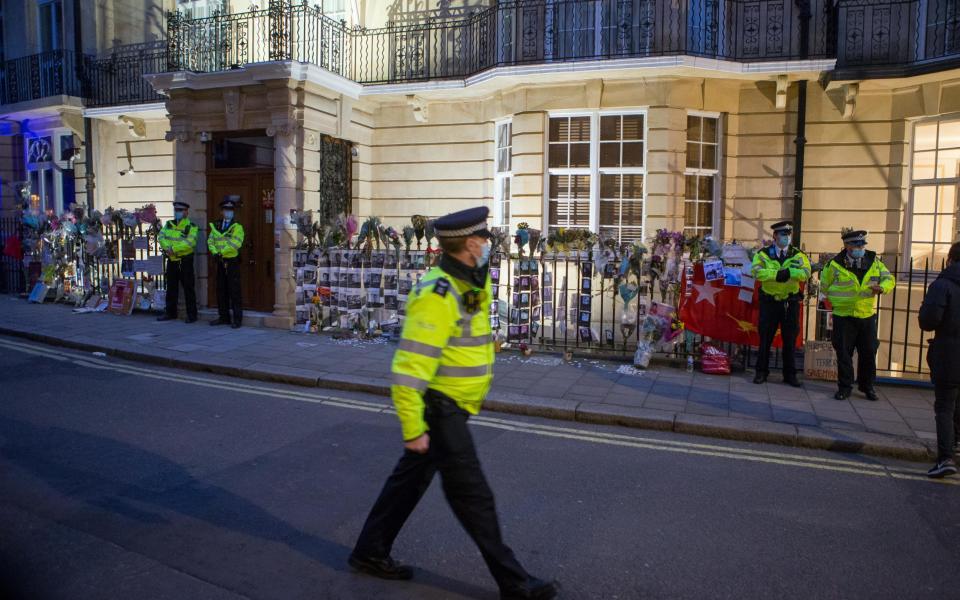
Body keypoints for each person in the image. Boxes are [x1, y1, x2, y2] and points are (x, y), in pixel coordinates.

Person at [349, 207, 558, 600]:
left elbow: (464, 334)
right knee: (474, 497)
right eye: (482, 240)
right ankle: (516, 585)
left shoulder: (468, 282)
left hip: (454, 404)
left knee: (407, 484)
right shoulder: (437, 293)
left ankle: (369, 551)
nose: (487, 246)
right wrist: (413, 429)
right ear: (469, 243)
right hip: (441, 408)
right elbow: (409, 368)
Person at [820, 229, 895, 400]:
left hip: (866, 315)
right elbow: (824, 286)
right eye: (856, 244)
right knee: (844, 354)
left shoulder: (874, 262)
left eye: (862, 244)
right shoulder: (834, 264)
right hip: (844, 316)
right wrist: (840, 301)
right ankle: (845, 387)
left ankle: (867, 386)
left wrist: (882, 287)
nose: (860, 247)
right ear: (847, 245)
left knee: (868, 352)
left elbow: (889, 278)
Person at [918, 241, 960, 478]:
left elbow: (928, 321)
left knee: (945, 406)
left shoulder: (943, 285)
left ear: (951, 260)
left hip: (950, 354)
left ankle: (945, 457)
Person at [750, 221, 811, 386]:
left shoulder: (798, 254)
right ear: (775, 236)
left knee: (789, 340)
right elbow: (756, 272)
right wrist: (777, 274)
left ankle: (790, 374)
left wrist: (790, 272)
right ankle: (761, 372)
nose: (786, 238)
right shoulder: (763, 253)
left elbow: (806, 273)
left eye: (788, 235)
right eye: (783, 234)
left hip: (789, 302)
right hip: (769, 302)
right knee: (765, 339)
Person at [157, 200, 198, 323]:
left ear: (186, 212)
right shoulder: (169, 224)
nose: (178, 212)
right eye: (176, 210)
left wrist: (173, 249)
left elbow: (190, 243)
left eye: (180, 210)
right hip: (172, 260)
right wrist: (167, 248)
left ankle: (191, 315)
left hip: (184, 261)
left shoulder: (192, 226)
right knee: (171, 287)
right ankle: (170, 313)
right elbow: (161, 237)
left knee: (188, 288)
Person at [207, 196, 245, 328]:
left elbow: (236, 243)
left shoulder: (237, 227)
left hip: (231, 261)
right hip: (219, 261)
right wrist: (214, 252)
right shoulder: (216, 225)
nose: (228, 212)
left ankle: (237, 319)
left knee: (234, 291)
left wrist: (221, 252)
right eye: (226, 209)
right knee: (221, 290)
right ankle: (224, 317)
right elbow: (210, 241)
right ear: (221, 212)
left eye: (231, 210)